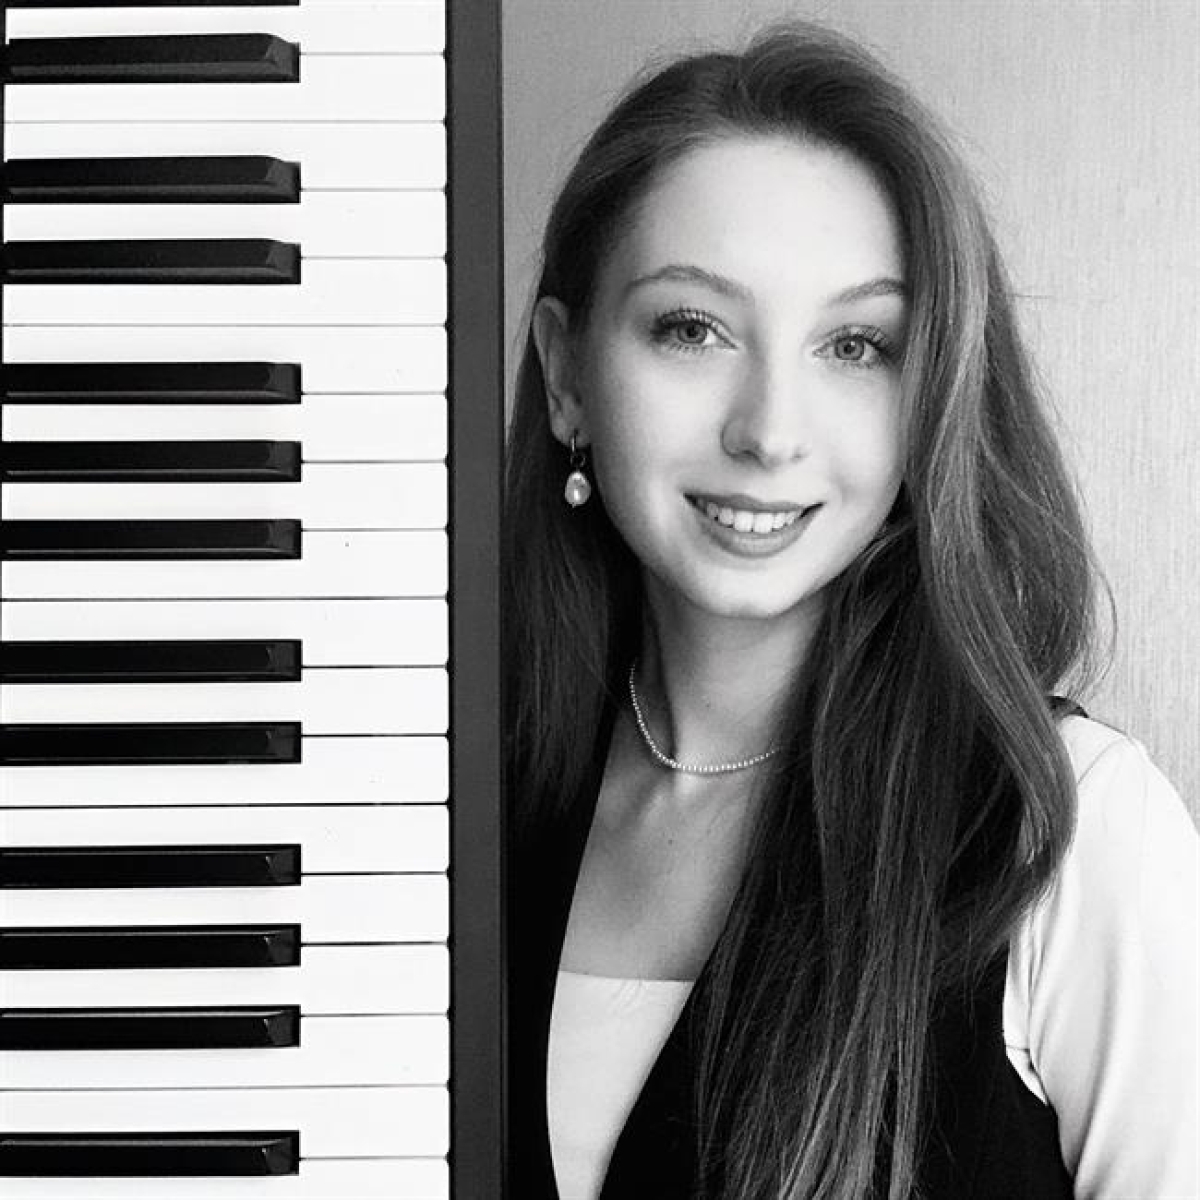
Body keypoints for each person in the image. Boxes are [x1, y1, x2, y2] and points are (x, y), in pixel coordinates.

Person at [502, 21, 1197, 1200]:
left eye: (856, 345)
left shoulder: (1072, 829)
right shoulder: (455, 807)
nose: (769, 431)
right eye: (693, 328)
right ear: (568, 377)